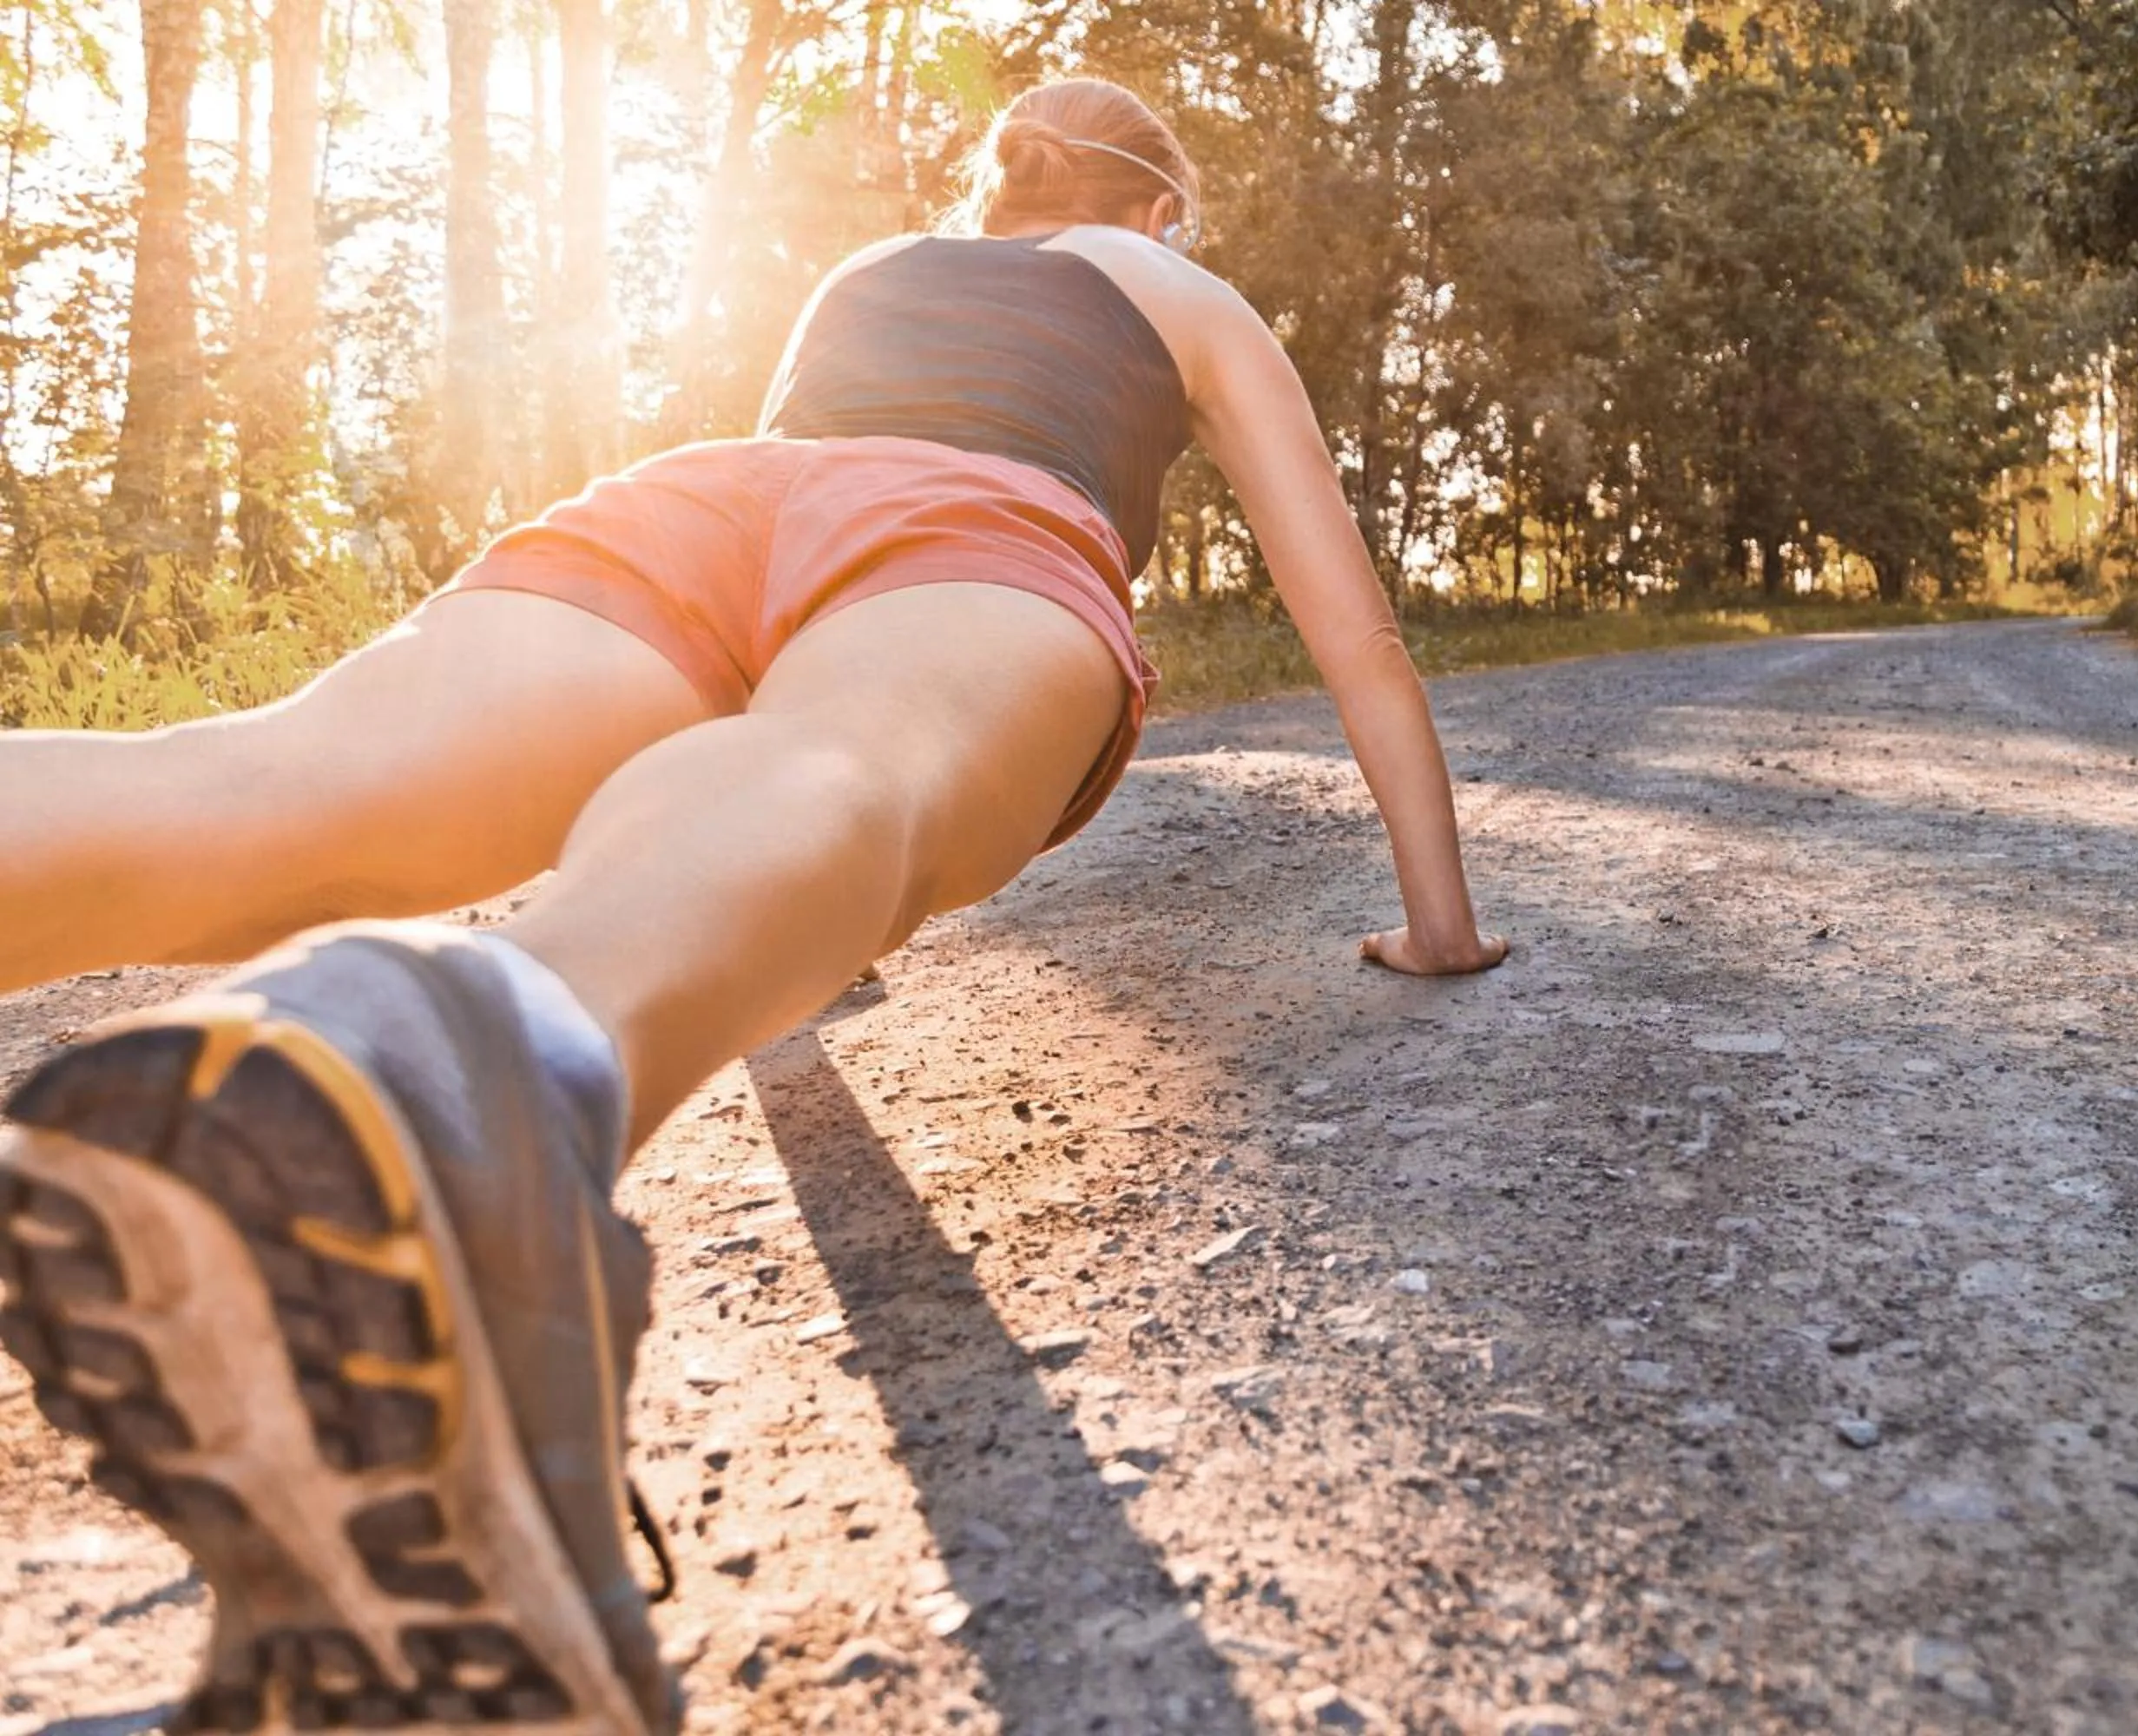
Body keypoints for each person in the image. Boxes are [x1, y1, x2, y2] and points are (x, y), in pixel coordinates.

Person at [0, 77, 1504, 1735]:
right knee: (846, 757)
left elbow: (772, 578)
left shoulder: (871, 270)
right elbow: (1351, 634)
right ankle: (438, 1087)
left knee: (255, 784)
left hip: (696, 500)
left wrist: (777, 949)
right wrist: (1438, 923)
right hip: (972, 527)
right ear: (1158, 205)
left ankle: (433, 1089)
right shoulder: (1175, 287)